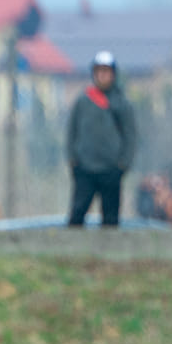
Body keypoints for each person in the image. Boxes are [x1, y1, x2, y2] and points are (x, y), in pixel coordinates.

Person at [66, 50, 136, 227]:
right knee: (77, 215)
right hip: (85, 169)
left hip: (111, 170)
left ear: (113, 75)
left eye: (106, 72)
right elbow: (71, 131)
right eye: (99, 72)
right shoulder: (83, 101)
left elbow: (130, 135)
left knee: (110, 220)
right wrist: (73, 160)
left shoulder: (121, 103)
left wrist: (123, 164)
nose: (103, 76)